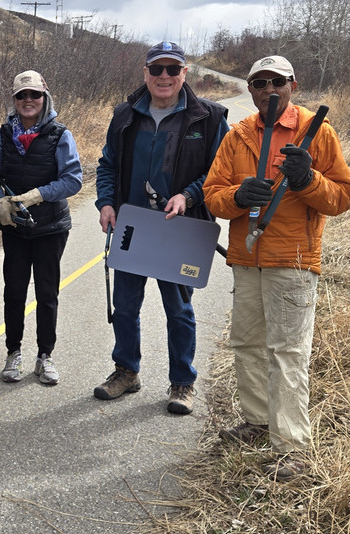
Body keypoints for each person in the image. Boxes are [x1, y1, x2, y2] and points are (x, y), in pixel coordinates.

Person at [203, 55, 350, 480]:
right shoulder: (237, 136)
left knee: (287, 353)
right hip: (246, 260)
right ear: (250, 89)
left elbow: (342, 198)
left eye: (277, 82)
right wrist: (238, 196)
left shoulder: (318, 133)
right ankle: (255, 422)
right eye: (259, 83)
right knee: (248, 345)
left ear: (292, 84)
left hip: (292, 260)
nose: (269, 90)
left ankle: (292, 448)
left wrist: (308, 179)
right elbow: (212, 194)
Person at [93, 41, 229, 415]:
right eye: (157, 70)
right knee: (124, 307)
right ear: (146, 74)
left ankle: (182, 383)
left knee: (179, 310)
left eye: (173, 69)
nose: (164, 77)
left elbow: (220, 172)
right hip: (133, 227)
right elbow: (107, 165)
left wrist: (188, 195)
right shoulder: (125, 114)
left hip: (180, 229)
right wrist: (106, 202)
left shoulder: (210, 117)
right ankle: (126, 372)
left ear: (185, 73)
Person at [0, 70, 83, 385]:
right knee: (13, 292)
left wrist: (37, 195)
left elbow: (73, 180)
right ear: (14, 100)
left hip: (51, 227)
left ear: (45, 97)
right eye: (21, 95)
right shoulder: (3, 134)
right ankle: (12, 352)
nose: (28, 101)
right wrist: (0, 199)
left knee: (47, 293)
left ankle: (45, 356)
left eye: (34, 95)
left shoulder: (60, 135)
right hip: (15, 228)